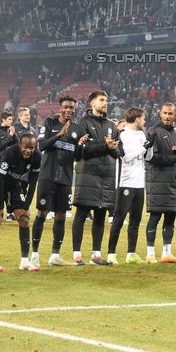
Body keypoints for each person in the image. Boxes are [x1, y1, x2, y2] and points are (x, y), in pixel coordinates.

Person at [32, 96, 83, 267]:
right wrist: (59, 136)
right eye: (66, 107)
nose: (69, 110)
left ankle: (55, 255)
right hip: (48, 177)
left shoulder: (77, 129)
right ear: (60, 108)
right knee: (42, 213)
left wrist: (81, 146)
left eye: (72, 108)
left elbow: (78, 157)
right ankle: (34, 254)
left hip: (66, 179)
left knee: (61, 215)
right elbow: (42, 146)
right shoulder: (49, 123)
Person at [72, 90, 120, 266]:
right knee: (82, 213)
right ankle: (77, 255)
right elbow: (82, 150)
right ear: (92, 103)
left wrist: (113, 148)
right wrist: (105, 146)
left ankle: (96, 255)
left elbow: (118, 152)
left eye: (106, 100)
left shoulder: (112, 125)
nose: (105, 103)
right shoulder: (83, 123)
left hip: (107, 176)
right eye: (101, 100)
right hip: (88, 174)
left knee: (100, 214)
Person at [0, 134, 41, 271]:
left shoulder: (37, 157)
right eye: (26, 147)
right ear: (19, 145)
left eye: (32, 148)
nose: (28, 150)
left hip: (14, 185)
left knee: (24, 218)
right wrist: (0, 207)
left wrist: (26, 206)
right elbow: (0, 179)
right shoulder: (9, 154)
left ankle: (24, 261)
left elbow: (33, 181)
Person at [144, 102, 176, 264]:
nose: (167, 116)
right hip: (158, 182)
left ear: (175, 115)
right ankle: (150, 254)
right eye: (165, 113)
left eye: (170, 114)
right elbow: (152, 158)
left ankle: (166, 254)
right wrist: (175, 157)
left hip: (174, 183)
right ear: (160, 114)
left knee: (170, 217)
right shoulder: (153, 132)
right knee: (155, 216)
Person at [107, 107, 148, 265]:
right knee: (119, 219)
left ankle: (131, 253)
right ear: (137, 119)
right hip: (126, 183)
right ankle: (111, 253)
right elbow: (127, 157)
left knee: (135, 220)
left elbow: (145, 156)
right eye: (143, 118)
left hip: (139, 184)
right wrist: (143, 148)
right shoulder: (123, 135)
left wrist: (148, 148)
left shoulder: (142, 134)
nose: (144, 121)